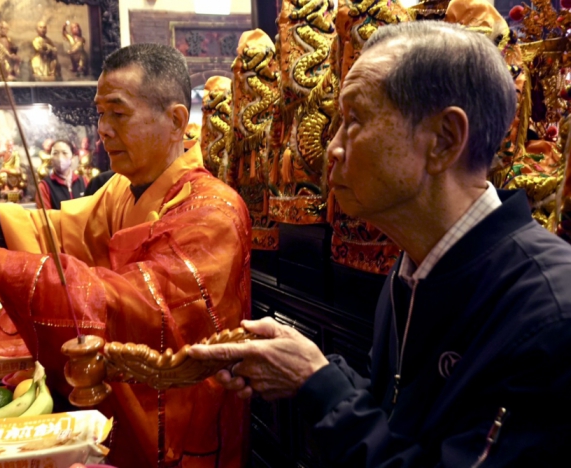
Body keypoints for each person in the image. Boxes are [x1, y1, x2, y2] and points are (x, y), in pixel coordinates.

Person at [188, 21, 571, 466]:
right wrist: (313, 368)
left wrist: (320, 385)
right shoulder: (412, 267)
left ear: (444, 140)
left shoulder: (550, 312)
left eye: (354, 120)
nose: (331, 149)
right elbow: (399, 420)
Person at [0, 43, 250, 468]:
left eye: (118, 113)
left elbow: (135, 305)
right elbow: (64, 234)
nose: (103, 129)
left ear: (176, 120)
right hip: (121, 409)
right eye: (100, 113)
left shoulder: (213, 212)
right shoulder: (122, 188)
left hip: (181, 421)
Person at [36, 139, 86, 210]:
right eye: (55, 153)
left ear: (72, 157)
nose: (60, 157)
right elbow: (46, 215)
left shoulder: (83, 181)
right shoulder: (44, 186)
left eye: (64, 153)